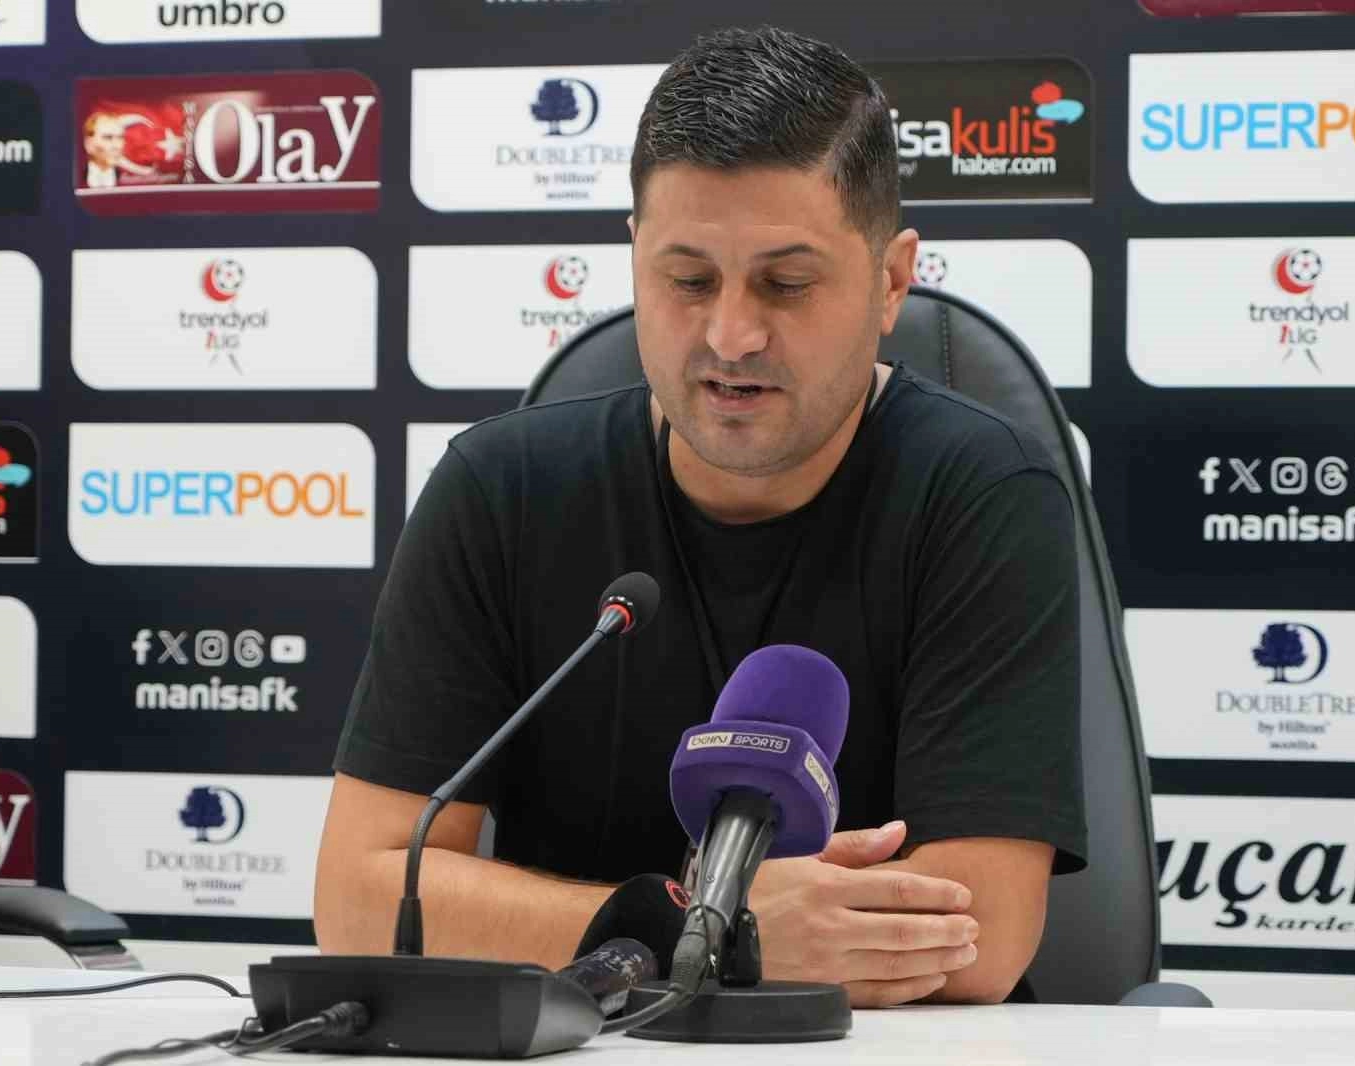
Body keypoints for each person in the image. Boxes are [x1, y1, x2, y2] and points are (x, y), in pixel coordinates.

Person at [316, 25, 1085, 1008]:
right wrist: (708, 925)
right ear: (634, 258)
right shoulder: (498, 489)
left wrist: (589, 924)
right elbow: (361, 899)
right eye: (687, 280)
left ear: (892, 281)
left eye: (786, 283)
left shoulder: (981, 491)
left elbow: (980, 937)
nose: (730, 335)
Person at [81, 112, 124, 189]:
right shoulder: (76, 178)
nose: (117, 146)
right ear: (89, 144)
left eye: (120, 137)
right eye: (108, 137)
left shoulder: (129, 181)